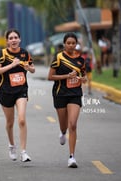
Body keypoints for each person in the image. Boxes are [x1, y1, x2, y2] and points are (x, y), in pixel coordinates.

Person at [0, 29, 35, 162]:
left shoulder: (25, 53)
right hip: (6, 91)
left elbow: (33, 69)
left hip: (21, 90)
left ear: (20, 39)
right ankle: (12, 145)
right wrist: (12, 65)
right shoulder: (3, 53)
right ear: (7, 41)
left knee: (21, 119)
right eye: (10, 38)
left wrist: (29, 68)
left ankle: (23, 151)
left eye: (16, 37)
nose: (13, 40)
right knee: (10, 123)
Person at [48, 32, 87, 168]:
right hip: (60, 94)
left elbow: (84, 75)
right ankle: (63, 132)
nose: (71, 45)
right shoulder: (58, 57)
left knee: (73, 124)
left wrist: (83, 79)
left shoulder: (81, 60)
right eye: (68, 43)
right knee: (64, 125)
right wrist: (66, 76)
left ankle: (72, 157)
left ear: (76, 44)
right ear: (64, 44)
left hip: (75, 93)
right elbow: (50, 77)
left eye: (73, 43)